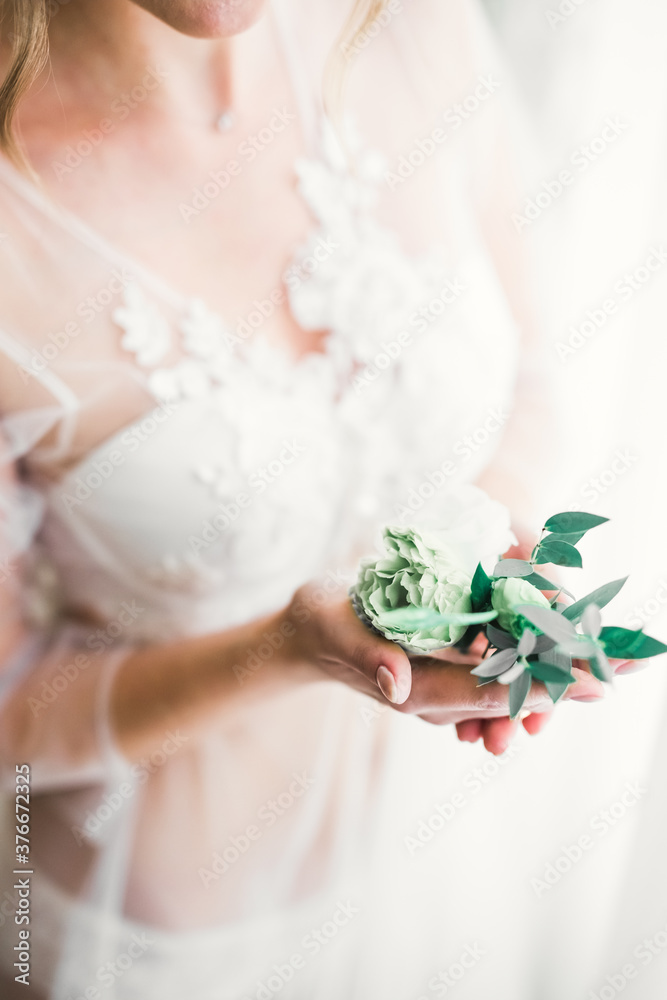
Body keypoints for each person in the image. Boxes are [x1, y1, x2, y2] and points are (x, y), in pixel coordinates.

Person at [0, 1, 608, 997]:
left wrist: (487, 543)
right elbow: (9, 702)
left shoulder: (413, 23)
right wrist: (284, 648)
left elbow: (532, 373)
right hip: (165, 941)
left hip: (441, 851)